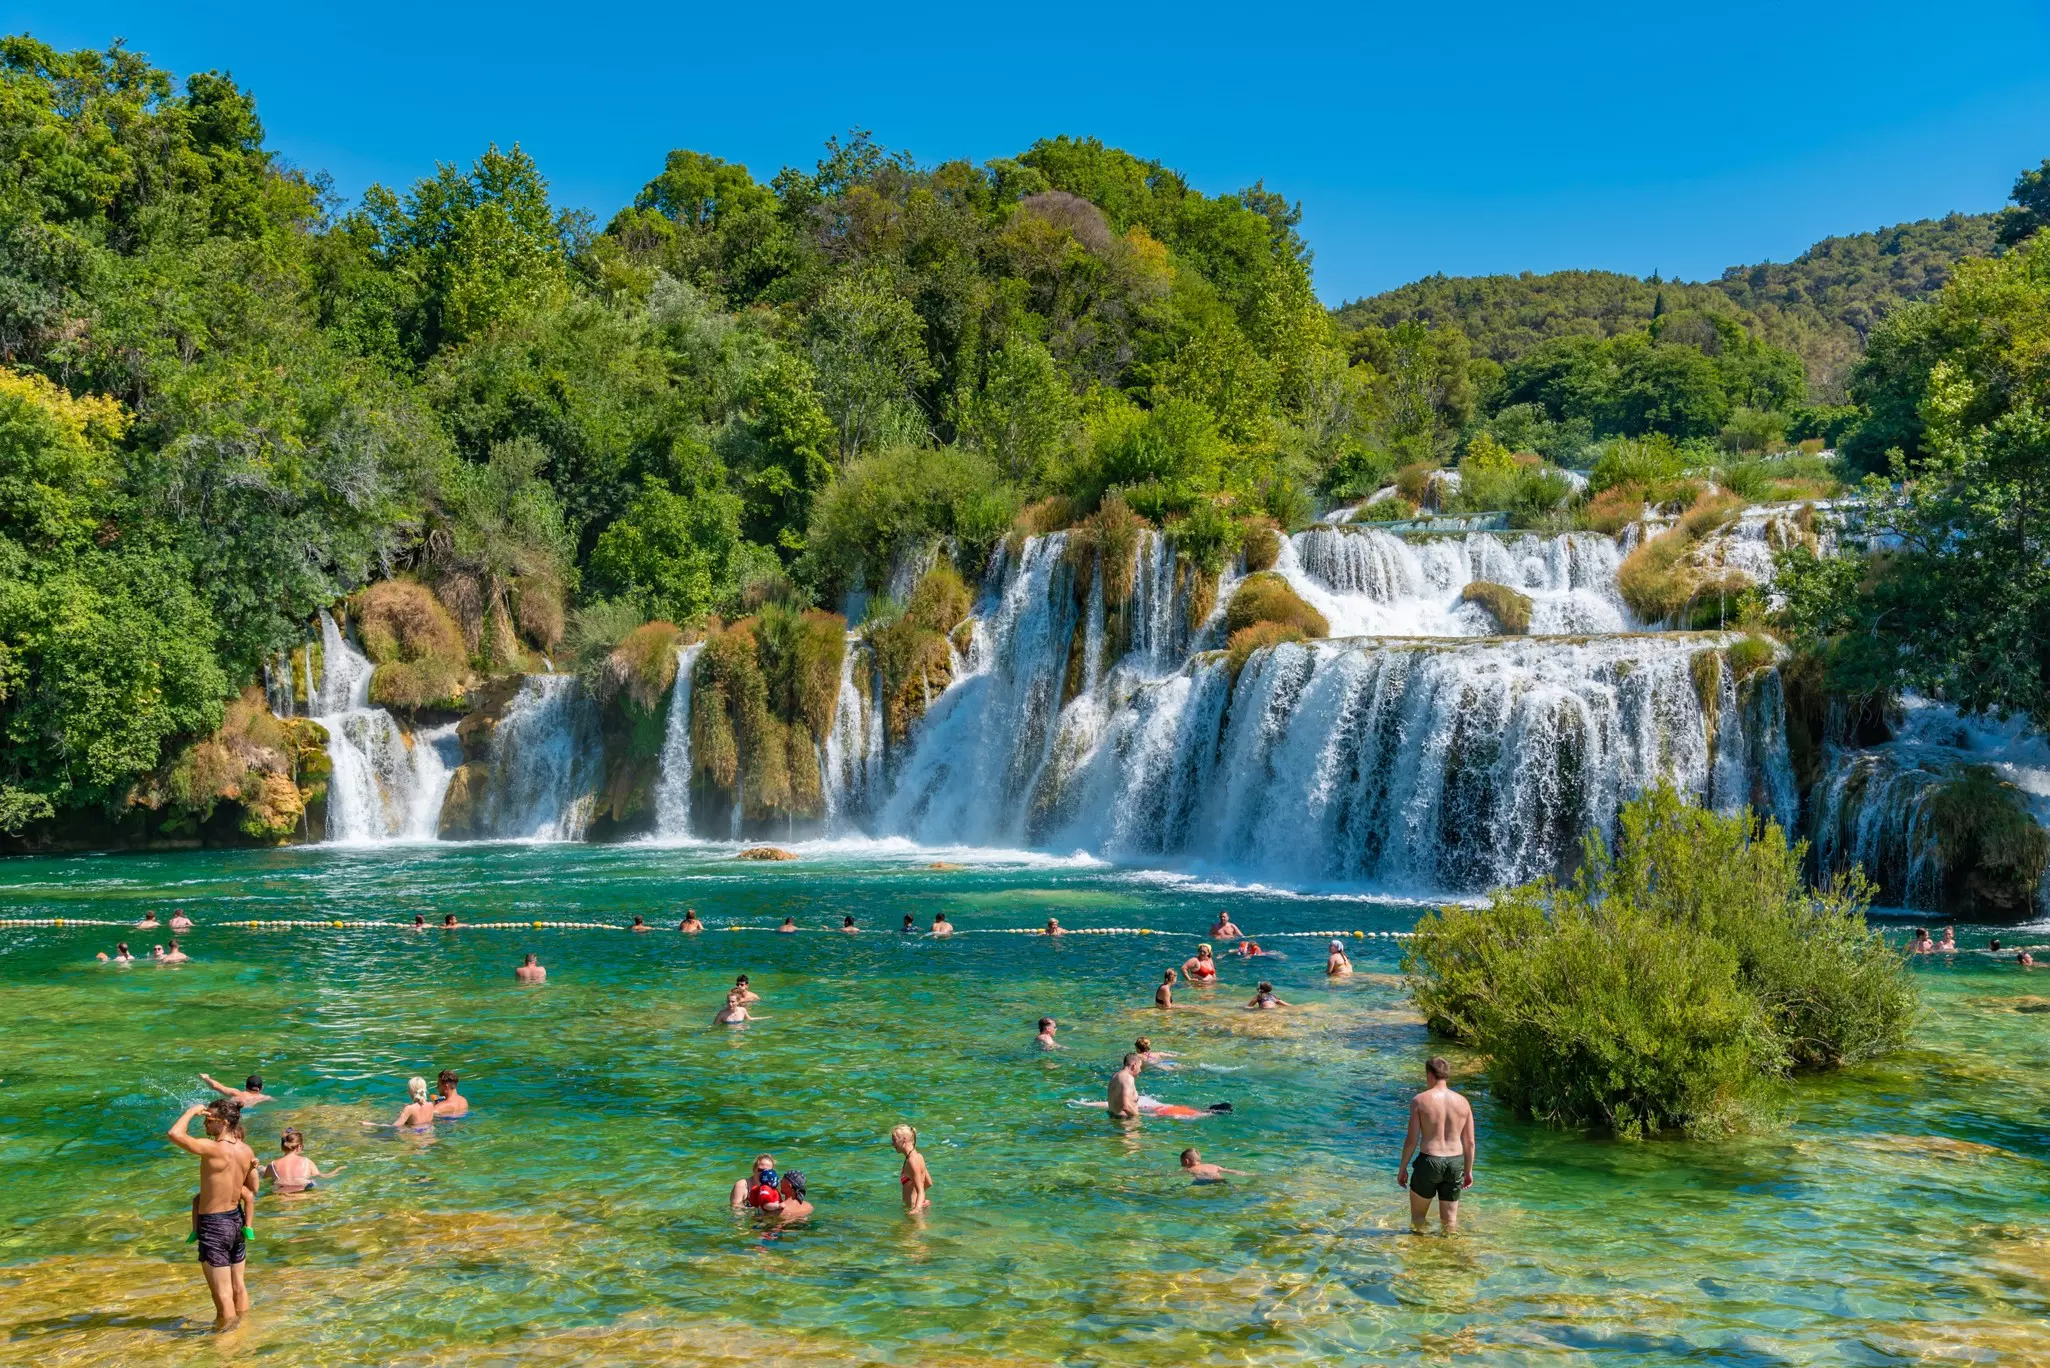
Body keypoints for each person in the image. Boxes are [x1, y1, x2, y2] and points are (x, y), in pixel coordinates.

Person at [167, 1099, 257, 1330]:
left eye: (209, 1119)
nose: (205, 1123)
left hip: (214, 1226)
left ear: (224, 1122)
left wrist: (190, 1111)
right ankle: (244, 1330)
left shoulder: (213, 1149)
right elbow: (252, 1189)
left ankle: (226, 1341)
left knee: (222, 1294)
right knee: (238, 1285)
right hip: (236, 1220)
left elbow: (174, 1134)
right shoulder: (246, 1150)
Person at [1398, 1056, 1475, 1234]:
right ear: (1446, 1075)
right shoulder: (1463, 1102)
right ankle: (1446, 1257)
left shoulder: (1420, 1100)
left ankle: (1419, 1255)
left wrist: (1402, 1168)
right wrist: (1468, 1170)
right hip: (1455, 1163)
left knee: (1418, 1219)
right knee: (1449, 1224)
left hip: (1429, 1162)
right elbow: (1470, 1142)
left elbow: (1412, 1140)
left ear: (1430, 1074)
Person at [264, 1128, 341, 1194]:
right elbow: (323, 1176)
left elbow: (265, 1178)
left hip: (282, 1196)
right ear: (299, 1146)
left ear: (282, 1146)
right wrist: (337, 1170)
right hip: (303, 1194)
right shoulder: (307, 1162)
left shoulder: (272, 1165)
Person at [366, 1077, 436, 1130]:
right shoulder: (431, 1105)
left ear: (410, 1092)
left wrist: (371, 1124)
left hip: (415, 1138)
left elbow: (394, 1127)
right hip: (429, 1136)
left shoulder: (409, 1109)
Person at [892, 1124, 933, 1212]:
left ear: (905, 1139)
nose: (892, 1144)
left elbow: (920, 1190)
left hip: (914, 1211)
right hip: (916, 1207)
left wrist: (917, 1208)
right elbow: (928, 1183)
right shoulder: (918, 1156)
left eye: (894, 1140)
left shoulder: (912, 1161)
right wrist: (920, 1201)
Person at [201, 1073, 274, 1108]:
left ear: (245, 1087)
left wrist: (206, 1078)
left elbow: (216, 1086)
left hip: (229, 1111)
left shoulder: (236, 1093)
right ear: (261, 1088)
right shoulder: (266, 1098)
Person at [1107, 1053, 1143, 1120]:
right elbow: (1126, 1106)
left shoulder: (1115, 1076)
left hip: (1114, 1121)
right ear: (1134, 1065)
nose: (1140, 1070)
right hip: (1126, 1123)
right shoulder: (1127, 1078)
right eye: (1140, 1066)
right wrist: (1140, 1117)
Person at [1180, 1148, 1248, 1183]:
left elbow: (1177, 1175)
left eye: (1182, 1163)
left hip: (1206, 1181)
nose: (1182, 1165)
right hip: (1222, 1180)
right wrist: (1248, 1174)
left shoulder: (1190, 1169)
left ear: (1186, 1161)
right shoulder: (1213, 1166)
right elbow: (1231, 1171)